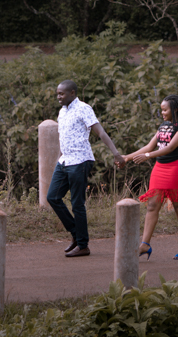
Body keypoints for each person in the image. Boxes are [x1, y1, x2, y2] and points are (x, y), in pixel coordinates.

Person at [47, 79, 125, 257]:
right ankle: (76, 234)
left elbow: (100, 132)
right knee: (53, 197)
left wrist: (116, 153)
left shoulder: (83, 108)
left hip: (80, 161)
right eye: (57, 93)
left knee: (77, 204)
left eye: (62, 93)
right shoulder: (62, 112)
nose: (58, 96)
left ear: (72, 93)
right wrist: (60, 157)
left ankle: (83, 245)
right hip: (65, 161)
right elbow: (63, 137)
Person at [124, 94, 178, 260]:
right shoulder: (163, 126)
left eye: (164, 110)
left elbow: (170, 148)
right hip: (160, 169)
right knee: (152, 205)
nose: (162, 112)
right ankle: (145, 244)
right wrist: (127, 157)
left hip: (176, 168)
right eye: (161, 110)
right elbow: (149, 145)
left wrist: (148, 155)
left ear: (174, 109)